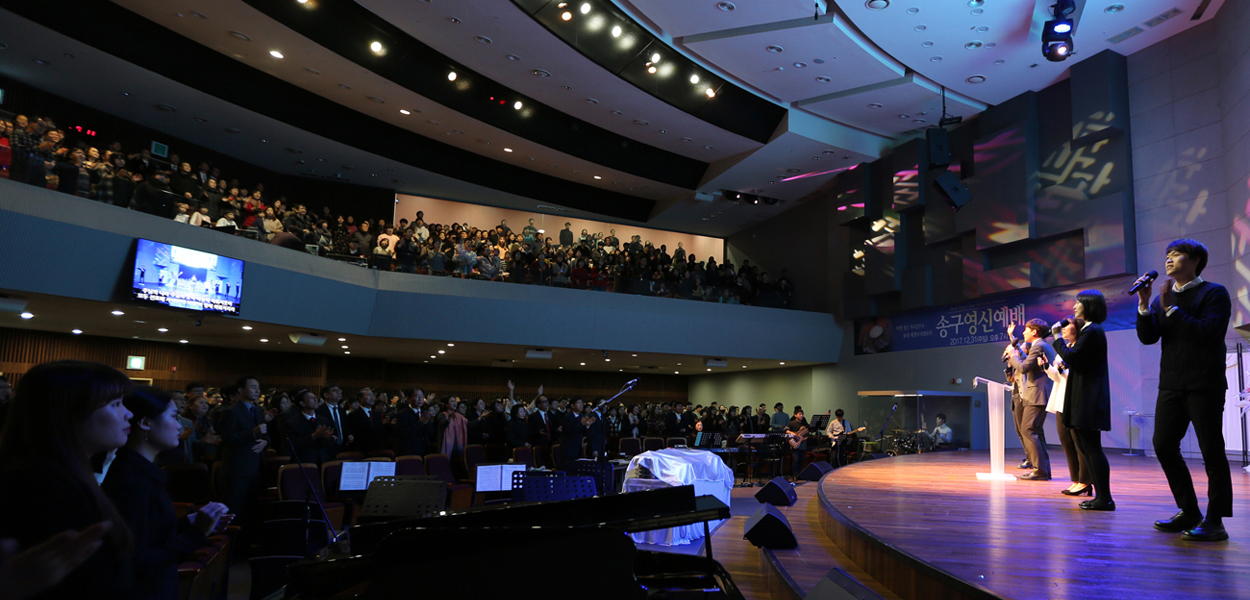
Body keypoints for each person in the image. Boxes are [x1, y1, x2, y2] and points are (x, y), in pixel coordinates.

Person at [0, 360, 136, 599]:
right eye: (115, 404)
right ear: (69, 413)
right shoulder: (45, 487)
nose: (129, 413)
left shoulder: (64, 476)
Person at [1136, 239, 1233, 541]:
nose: (1169, 259)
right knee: (1163, 445)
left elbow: (1208, 332)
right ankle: (1189, 510)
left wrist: (1170, 309)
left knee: (1211, 451)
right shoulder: (1162, 298)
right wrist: (1144, 305)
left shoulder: (1214, 293)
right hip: (1171, 384)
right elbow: (1148, 338)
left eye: (1176, 254)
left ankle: (1215, 520)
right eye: (1167, 255)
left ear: (1195, 260)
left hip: (1204, 384)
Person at [102, 387, 229, 600]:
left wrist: (189, 523)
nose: (179, 425)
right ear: (145, 423)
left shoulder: (140, 471)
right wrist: (196, 535)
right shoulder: (132, 479)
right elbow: (135, 560)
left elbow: (149, 534)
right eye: (173, 416)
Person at [1052, 290, 1114, 511]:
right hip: (1083, 396)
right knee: (1086, 447)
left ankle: (1104, 498)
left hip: (1088, 398)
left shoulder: (1092, 330)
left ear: (1089, 305)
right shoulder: (1090, 330)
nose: (1074, 306)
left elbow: (1072, 357)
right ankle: (1101, 497)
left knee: (1092, 448)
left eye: (1078, 302)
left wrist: (1057, 338)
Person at [1041, 319, 1092, 497]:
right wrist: (1047, 367)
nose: (1062, 329)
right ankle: (1076, 480)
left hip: (1075, 400)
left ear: (1077, 328)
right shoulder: (1063, 350)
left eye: (1067, 325)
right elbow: (1057, 377)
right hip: (1061, 400)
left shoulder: (1080, 348)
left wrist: (1064, 368)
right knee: (1067, 442)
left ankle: (1085, 481)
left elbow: (1079, 375)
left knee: (1079, 443)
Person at [1005, 319, 1056, 481]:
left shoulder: (1039, 346)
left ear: (1034, 331)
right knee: (1035, 432)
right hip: (1037, 393)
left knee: (1028, 430)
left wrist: (1013, 355)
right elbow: (1028, 361)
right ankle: (1042, 469)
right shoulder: (1039, 345)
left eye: (1026, 329)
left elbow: (1023, 367)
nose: (1024, 332)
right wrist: (1016, 350)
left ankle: (1039, 470)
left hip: (1037, 394)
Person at [216, 376, 269, 524]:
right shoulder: (231, 411)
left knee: (252, 511)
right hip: (238, 470)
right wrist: (253, 433)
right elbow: (227, 438)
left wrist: (265, 441)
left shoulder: (258, 410)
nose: (257, 390)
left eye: (258, 387)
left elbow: (265, 434)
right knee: (236, 511)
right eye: (253, 387)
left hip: (257, 467)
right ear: (240, 390)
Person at [280, 388, 336, 465]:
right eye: (311, 398)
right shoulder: (292, 422)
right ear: (302, 403)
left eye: (315, 397)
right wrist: (313, 436)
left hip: (323, 461)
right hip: (304, 463)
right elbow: (292, 445)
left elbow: (329, 444)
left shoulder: (323, 420)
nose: (316, 400)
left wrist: (327, 438)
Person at [784, 409, 808, 478]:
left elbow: (808, 431)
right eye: (800, 414)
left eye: (802, 414)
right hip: (795, 443)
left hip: (803, 443)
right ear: (795, 415)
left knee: (802, 460)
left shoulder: (804, 423)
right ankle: (794, 474)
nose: (801, 415)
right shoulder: (791, 423)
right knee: (795, 459)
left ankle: (799, 474)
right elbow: (786, 430)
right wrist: (793, 433)